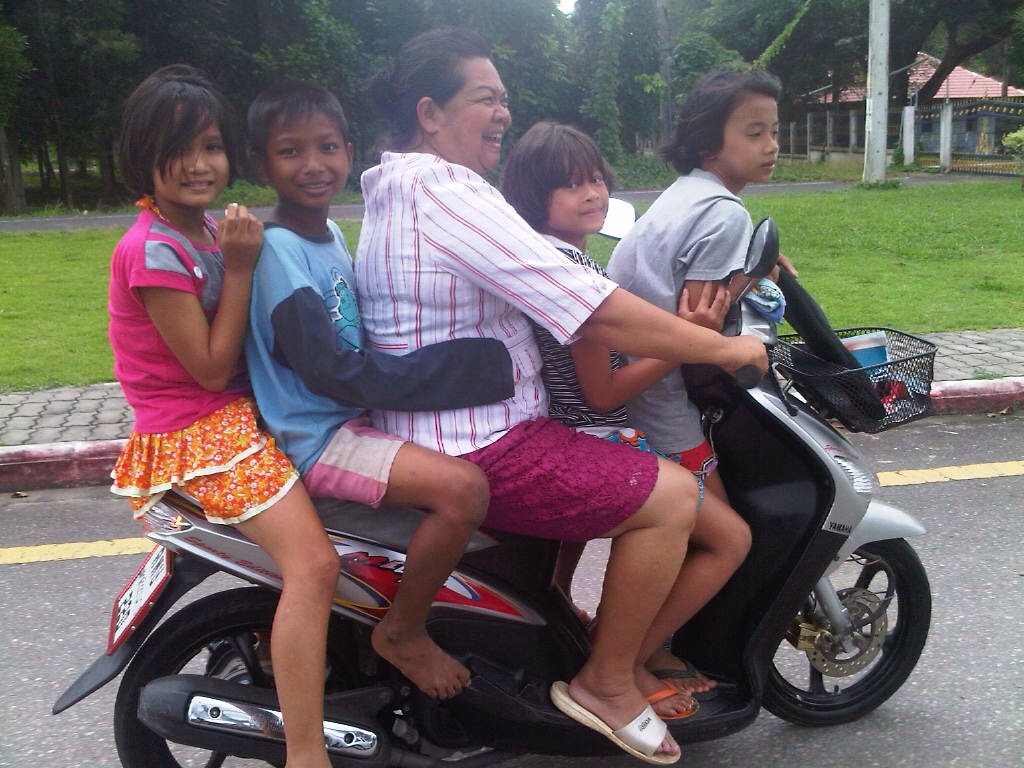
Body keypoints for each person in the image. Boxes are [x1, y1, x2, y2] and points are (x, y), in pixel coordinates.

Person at [355, 28, 768, 764]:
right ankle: (607, 681)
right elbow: (589, 307)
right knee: (674, 498)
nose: (502, 113)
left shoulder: (399, 186)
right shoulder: (445, 191)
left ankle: (572, 647)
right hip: (479, 439)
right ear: (429, 113)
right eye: (485, 99)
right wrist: (722, 347)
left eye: (503, 99)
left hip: (448, 422)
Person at [243, 81, 515, 700]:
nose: (313, 165)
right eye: (290, 151)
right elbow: (332, 370)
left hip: (353, 422)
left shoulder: (330, 236)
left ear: (349, 151)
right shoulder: (278, 250)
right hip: (317, 437)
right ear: (261, 165)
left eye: (327, 147)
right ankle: (403, 632)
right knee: (463, 489)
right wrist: (471, 369)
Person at [107, 65, 339, 768]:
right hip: (199, 433)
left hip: (238, 414)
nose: (198, 164)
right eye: (177, 149)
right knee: (315, 566)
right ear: (142, 156)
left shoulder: (206, 229)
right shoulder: (154, 248)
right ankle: (306, 754)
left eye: (210, 146)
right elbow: (209, 369)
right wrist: (240, 267)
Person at [500, 121, 732, 697]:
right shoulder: (572, 274)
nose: (592, 194)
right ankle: (625, 661)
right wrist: (689, 341)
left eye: (597, 179)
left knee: (565, 563)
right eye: (570, 185)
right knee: (729, 540)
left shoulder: (550, 260)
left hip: (562, 427)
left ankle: (587, 643)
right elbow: (602, 393)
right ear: (533, 196)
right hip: (593, 433)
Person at [608, 69, 794, 696]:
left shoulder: (686, 194)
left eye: (774, 131)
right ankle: (628, 662)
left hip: (625, 383)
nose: (772, 145)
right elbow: (700, 328)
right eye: (754, 132)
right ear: (711, 141)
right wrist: (750, 327)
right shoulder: (723, 213)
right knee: (724, 537)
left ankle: (652, 648)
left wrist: (755, 272)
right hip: (657, 401)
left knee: (691, 532)